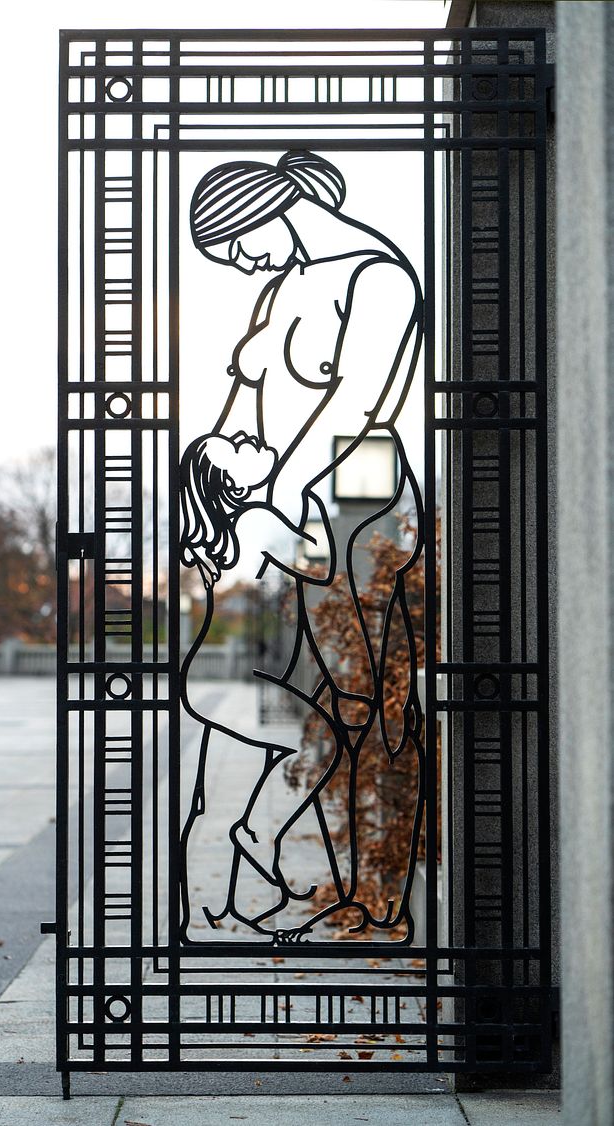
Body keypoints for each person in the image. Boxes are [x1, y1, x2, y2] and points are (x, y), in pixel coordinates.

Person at [179, 150, 425, 945]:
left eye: (236, 245)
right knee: (282, 699)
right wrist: (218, 465)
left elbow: (355, 411)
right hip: (270, 524)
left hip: (351, 520)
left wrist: (275, 510)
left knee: (349, 702)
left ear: (265, 210)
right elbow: (244, 404)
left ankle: (343, 878)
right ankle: (259, 856)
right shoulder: (281, 286)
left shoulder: (377, 279)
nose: (243, 263)